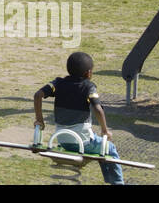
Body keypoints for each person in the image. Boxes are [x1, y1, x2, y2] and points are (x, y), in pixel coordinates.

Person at [33, 51, 125, 185]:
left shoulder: (58, 83)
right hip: (84, 142)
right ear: (88, 73)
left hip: (62, 139)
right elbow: (98, 109)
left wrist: (39, 120)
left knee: (102, 148)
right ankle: (117, 182)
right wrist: (105, 130)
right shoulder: (88, 86)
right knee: (109, 148)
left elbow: (37, 95)